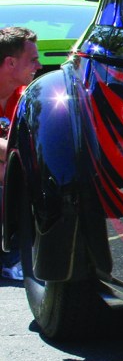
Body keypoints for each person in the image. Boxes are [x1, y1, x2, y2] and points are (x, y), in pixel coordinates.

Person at [0, 27, 41, 281]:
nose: (39, 65)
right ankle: (12, 259)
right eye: (33, 59)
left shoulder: (25, 97)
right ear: (10, 62)